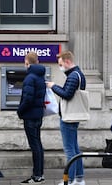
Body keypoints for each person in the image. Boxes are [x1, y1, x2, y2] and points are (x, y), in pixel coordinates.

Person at [46, 51, 86, 185]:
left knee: (70, 150)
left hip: (68, 117)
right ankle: (79, 178)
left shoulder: (73, 76)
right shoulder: (78, 74)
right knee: (75, 149)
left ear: (67, 62)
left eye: (61, 64)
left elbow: (67, 94)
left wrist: (53, 86)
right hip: (73, 116)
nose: (60, 67)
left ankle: (69, 180)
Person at [18, 52, 46, 185]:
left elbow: (28, 99)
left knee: (35, 146)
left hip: (29, 116)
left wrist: (20, 110)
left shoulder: (30, 78)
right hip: (38, 115)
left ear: (27, 62)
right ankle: (39, 174)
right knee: (38, 145)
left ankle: (37, 176)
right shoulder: (40, 76)